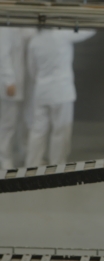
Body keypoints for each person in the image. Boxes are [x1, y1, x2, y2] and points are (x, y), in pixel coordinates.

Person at [26, 29, 95, 167]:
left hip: (42, 91)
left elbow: (32, 70)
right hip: (61, 91)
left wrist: (41, 81)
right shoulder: (63, 35)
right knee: (61, 131)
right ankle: (57, 165)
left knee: (38, 130)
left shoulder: (34, 41)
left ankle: (31, 164)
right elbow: (88, 31)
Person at [0, 27, 36, 169]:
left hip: (27, 81)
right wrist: (9, 80)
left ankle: (25, 152)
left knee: (26, 120)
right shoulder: (5, 28)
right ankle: (4, 157)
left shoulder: (26, 25)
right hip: (12, 84)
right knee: (8, 123)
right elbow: (3, 54)